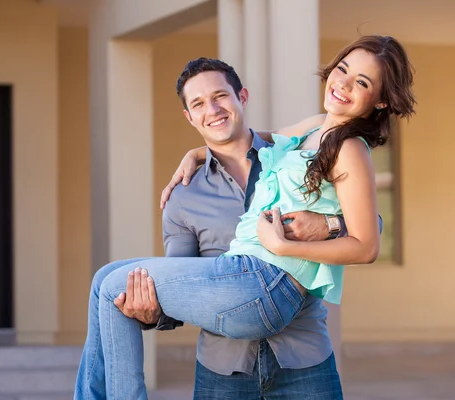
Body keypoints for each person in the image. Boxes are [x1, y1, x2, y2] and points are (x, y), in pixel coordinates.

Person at [76, 34, 415, 400]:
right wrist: (198, 152)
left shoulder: (330, 150)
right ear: (190, 116)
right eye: (200, 104)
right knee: (105, 282)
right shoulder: (303, 137)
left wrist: (309, 234)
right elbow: (184, 281)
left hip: (295, 342)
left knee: (111, 286)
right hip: (225, 360)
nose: (213, 110)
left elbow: (368, 235)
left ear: (242, 97)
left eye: (220, 96)